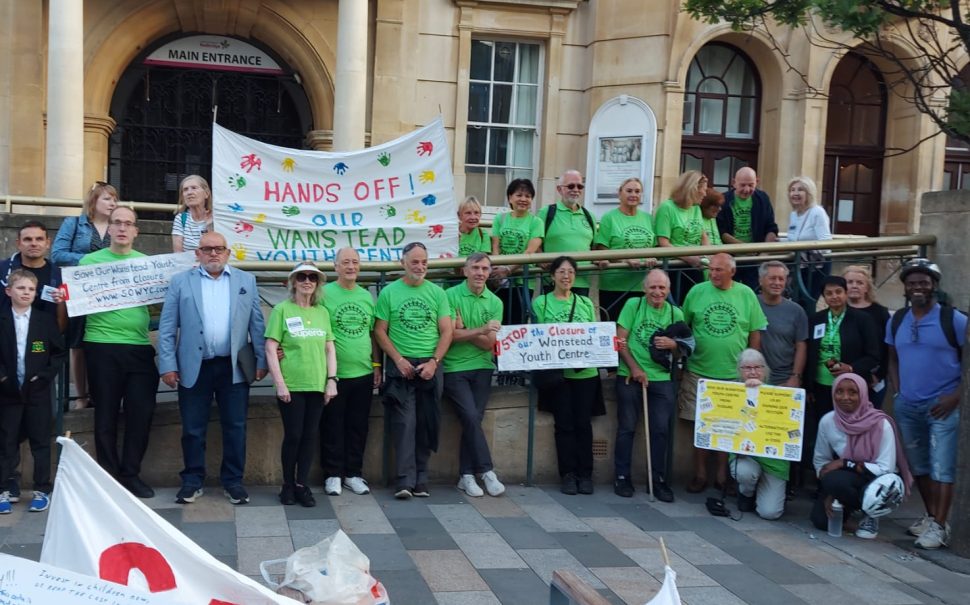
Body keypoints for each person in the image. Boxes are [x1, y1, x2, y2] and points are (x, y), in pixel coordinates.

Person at [158, 232, 268, 506]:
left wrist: (261, 361)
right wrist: (168, 365)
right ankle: (192, 481)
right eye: (207, 249)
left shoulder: (246, 280)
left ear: (228, 253)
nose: (213, 254)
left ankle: (233, 482)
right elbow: (168, 327)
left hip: (234, 367)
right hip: (194, 367)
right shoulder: (181, 282)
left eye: (219, 249)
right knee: (193, 428)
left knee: (236, 426)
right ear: (198, 253)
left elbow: (257, 324)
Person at [887, 259, 966, 549]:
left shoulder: (953, 319)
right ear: (905, 288)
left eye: (924, 282)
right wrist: (898, 391)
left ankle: (941, 526)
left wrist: (955, 396)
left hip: (942, 405)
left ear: (934, 285)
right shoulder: (897, 320)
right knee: (918, 465)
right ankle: (932, 516)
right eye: (912, 283)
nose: (918, 287)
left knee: (942, 467)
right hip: (908, 404)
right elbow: (892, 356)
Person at [80, 207, 159, 498]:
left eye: (128, 223)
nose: (123, 228)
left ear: (137, 231)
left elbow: (160, 308)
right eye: (117, 223)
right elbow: (74, 299)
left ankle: (131, 474)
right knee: (106, 415)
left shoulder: (148, 264)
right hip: (101, 345)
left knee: (142, 413)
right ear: (108, 228)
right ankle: (110, 478)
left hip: (139, 347)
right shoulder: (88, 262)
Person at [680, 253, 767, 494]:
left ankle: (722, 475)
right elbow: (684, 327)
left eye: (719, 270)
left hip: (732, 375)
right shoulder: (697, 291)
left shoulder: (746, 294)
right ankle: (699, 474)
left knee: (727, 427)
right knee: (701, 426)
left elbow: (755, 332)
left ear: (732, 272)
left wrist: (751, 368)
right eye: (712, 269)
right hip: (699, 370)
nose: (714, 274)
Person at [375, 242, 453, 500]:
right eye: (415, 262)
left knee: (427, 422)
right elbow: (380, 331)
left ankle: (422, 478)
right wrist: (397, 359)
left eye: (424, 262)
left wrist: (434, 362)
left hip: (430, 365)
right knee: (404, 424)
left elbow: (447, 331)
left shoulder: (438, 293)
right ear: (403, 263)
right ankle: (404, 480)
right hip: (402, 367)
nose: (420, 267)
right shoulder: (389, 292)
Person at [0, 221, 65, 502]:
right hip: (7, 386)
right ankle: (6, 487)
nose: (33, 243)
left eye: (39, 238)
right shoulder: (2, 316)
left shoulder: (45, 314)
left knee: (41, 436)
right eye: (27, 239)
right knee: (6, 438)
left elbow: (59, 348)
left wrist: (45, 377)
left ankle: (43, 487)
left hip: (38, 384)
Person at [265, 262, 338, 508]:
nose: (307, 281)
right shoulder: (282, 310)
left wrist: (331, 380)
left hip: (316, 384)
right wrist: (280, 383)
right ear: (293, 281)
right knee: (294, 435)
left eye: (313, 277)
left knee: (309, 436)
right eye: (302, 277)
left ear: (318, 283)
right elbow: (271, 347)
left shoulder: (322, 313)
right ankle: (287, 484)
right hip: (292, 384)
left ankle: (301, 484)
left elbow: (329, 348)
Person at [531, 256, 604, 495]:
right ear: (552, 276)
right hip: (558, 374)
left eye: (571, 272)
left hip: (585, 373)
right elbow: (538, 337)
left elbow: (593, 334)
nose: (566, 276)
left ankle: (586, 474)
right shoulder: (541, 303)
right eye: (561, 272)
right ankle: (568, 474)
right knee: (563, 425)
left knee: (583, 424)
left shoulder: (584, 302)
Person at [812, 373, 912, 540]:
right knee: (821, 521)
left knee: (836, 480)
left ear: (863, 394)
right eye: (840, 392)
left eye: (853, 392)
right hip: (847, 478)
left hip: (875, 479)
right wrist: (831, 492)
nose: (845, 397)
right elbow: (821, 460)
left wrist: (845, 463)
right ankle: (848, 506)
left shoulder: (880, 423)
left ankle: (871, 513)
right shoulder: (828, 421)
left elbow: (885, 468)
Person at [613, 269, 684, 501]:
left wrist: (673, 344)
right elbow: (619, 340)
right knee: (627, 428)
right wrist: (634, 368)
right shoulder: (633, 305)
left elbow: (685, 346)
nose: (657, 292)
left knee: (661, 430)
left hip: (661, 378)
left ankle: (658, 480)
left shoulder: (675, 312)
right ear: (645, 288)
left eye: (662, 288)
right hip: (630, 375)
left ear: (668, 290)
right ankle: (622, 477)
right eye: (653, 287)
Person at [803, 275, 880, 488]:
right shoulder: (816, 319)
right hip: (821, 386)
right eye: (829, 293)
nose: (834, 296)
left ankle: (847, 478)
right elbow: (810, 354)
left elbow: (874, 355)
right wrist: (808, 386)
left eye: (838, 292)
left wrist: (851, 368)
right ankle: (822, 479)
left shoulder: (862, 320)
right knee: (823, 433)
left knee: (846, 434)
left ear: (846, 294)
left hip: (850, 389)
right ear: (824, 297)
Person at [319, 248, 382, 496]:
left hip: (363, 372)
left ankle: (353, 474)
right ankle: (332, 474)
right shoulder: (324, 294)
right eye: (345, 262)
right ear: (335, 267)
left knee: (358, 426)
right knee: (332, 425)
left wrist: (377, 365)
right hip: (335, 374)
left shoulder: (366, 296)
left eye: (355, 262)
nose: (351, 266)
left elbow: (372, 334)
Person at [444, 253, 505, 498]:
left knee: (473, 420)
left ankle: (467, 475)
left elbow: (488, 344)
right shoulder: (450, 296)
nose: (480, 273)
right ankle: (487, 471)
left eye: (485, 268)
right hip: (454, 367)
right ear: (465, 271)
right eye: (476, 268)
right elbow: (449, 336)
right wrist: (478, 330)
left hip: (482, 366)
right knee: (470, 415)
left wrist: (464, 330)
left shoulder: (495, 302)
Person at [52, 181, 117, 411]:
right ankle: (81, 395)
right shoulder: (73, 223)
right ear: (94, 201)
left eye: (114, 199)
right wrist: (91, 261)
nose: (112, 203)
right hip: (79, 289)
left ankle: (102, 394)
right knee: (77, 343)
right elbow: (57, 254)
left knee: (102, 343)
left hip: (107, 291)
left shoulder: (116, 226)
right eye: (107, 198)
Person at [730, 349, 788, 520]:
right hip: (745, 455)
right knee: (745, 473)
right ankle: (746, 494)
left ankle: (770, 491)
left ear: (765, 370)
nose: (753, 372)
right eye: (747, 368)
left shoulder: (780, 396)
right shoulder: (730, 393)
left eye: (758, 367)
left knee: (770, 513)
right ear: (739, 371)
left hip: (774, 460)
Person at [592, 177, 656, 320]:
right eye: (629, 191)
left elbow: (656, 246)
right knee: (614, 331)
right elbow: (602, 249)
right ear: (619, 194)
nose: (633, 194)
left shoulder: (648, 218)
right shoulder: (609, 218)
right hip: (614, 286)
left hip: (642, 285)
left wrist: (652, 257)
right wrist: (626, 259)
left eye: (637, 191)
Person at [490, 178, 544, 325]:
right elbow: (495, 247)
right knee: (497, 321)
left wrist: (508, 270)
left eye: (527, 196)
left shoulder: (536, 222)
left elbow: (530, 252)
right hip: (499, 280)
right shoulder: (500, 219)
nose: (523, 199)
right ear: (510, 197)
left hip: (523, 280)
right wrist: (497, 270)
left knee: (516, 322)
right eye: (519, 195)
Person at [716, 167, 780, 290]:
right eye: (742, 185)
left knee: (753, 294)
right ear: (734, 182)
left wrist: (764, 253)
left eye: (751, 185)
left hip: (755, 260)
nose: (746, 190)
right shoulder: (723, 200)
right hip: (730, 259)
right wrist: (743, 247)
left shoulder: (763, 198)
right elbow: (721, 231)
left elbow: (771, 227)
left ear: (757, 182)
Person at [537, 170, 596, 293]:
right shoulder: (546, 212)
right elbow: (535, 241)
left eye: (579, 186)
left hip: (581, 281)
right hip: (554, 281)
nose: (576, 189)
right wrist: (540, 259)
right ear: (559, 189)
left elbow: (594, 246)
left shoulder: (589, 216)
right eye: (570, 186)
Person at [655, 171, 709, 301]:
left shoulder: (696, 209)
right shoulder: (667, 208)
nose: (705, 194)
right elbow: (663, 242)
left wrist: (707, 255)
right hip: (674, 267)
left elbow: (703, 236)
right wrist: (689, 258)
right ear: (693, 189)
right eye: (703, 190)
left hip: (696, 267)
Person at [843, 265, 890, 408]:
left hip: (873, 379)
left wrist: (879, 375)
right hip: (842, 379)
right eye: (850, 282)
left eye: (859, 283)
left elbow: (887, 347)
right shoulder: (837, 311)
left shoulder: (880, 312)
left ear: (867, 287)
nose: (854, 286)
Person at [757, 261, 807, 387]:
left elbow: (801, 346)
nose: (777, 283)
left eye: (781, 279)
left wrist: (796, 376)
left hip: (785, 379)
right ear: (761, 280)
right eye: (772, 278)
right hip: (754, 376)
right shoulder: (750, 304)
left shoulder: (797, 311)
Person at [785, 176, 832, 301]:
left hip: (815, 268)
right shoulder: (794, 214)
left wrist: (806, 250)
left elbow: (826, 244)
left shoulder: (817, 212)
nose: (795, 193)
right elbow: (793, 239)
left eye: (800, 190)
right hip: (798, 266)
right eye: (792, 190)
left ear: (809, 193)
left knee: (808, 302)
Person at [172, 175, 213, 253]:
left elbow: (216, 250)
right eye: (185, 190)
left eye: (194, 188)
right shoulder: (180, 219)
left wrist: (209, 226)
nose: (189, 192)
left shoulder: (217, 217)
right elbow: (177, 254)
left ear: (206, 193)